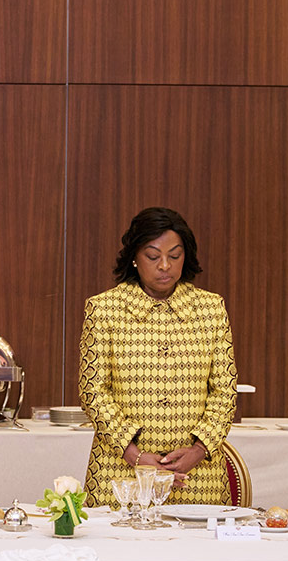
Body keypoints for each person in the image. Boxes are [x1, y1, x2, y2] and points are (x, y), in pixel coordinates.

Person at [77, 207, 238, 506]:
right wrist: (134, 453)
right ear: (135, 258)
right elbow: (93, 391)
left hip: (197, 474)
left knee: (195, 552)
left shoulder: (210, 309)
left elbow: (225, 391)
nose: (165, 265)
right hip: (120, 470)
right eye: (153, 256)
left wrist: (198, 450)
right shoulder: (104, 310)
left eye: (175, 256)